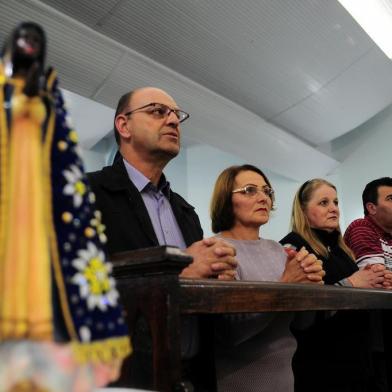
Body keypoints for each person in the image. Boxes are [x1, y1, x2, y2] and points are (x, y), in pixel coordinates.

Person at [0, 22, 130, 391]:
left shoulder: (49, 94)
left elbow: (61, 157)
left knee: (53, 262)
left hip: (42, 194)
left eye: (33, 46)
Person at [87, 87, 238, 389]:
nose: (173, 120)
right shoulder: (85, 194)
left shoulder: (185, 211)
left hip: (192, 375)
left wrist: (218, 283)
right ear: (124, 125)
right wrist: (180, 274)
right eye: (158, 111)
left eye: (177, 115)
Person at [209, 165, 325, 392]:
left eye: (266, 191)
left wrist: (311, 289)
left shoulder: (278, 250)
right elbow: (230, 333)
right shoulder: (217, 250)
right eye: (249, 190)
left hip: (285, 377)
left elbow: (301, 323)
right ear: (226, 199)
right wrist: (287, 286)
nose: (263, 197)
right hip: (241, 380)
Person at [280, 178, 387, 392]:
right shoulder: (293, 246)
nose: (334, 209)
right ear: (303, 209)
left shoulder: (341, 249)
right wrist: (352, 283)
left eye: (336, 202)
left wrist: (376, 279)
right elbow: (301, 314)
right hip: (321, 363)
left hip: (357, 359)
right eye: (324, 203)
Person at [344, 177, 392, 392]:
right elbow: (378, 281)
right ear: (371, 208)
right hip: (377, 335)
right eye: (391, 198)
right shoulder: (361, 226)